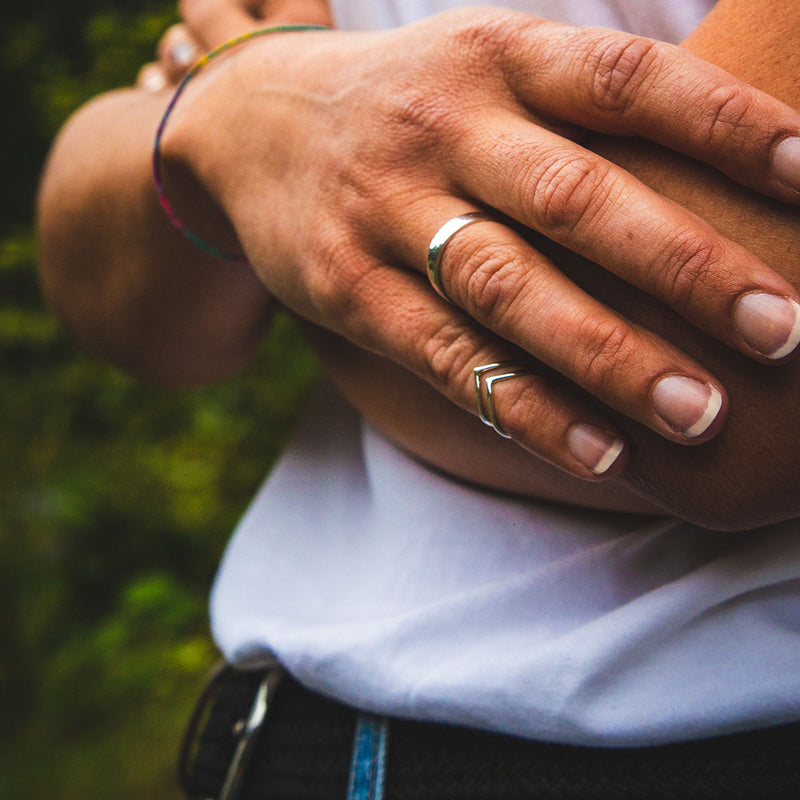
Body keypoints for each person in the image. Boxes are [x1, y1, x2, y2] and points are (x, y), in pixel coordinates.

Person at [37, 0, 800, 796]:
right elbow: (117, 300)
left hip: (707, 743)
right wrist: (238, 112)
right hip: (277, 736)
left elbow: (739, 394)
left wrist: (275, 182)